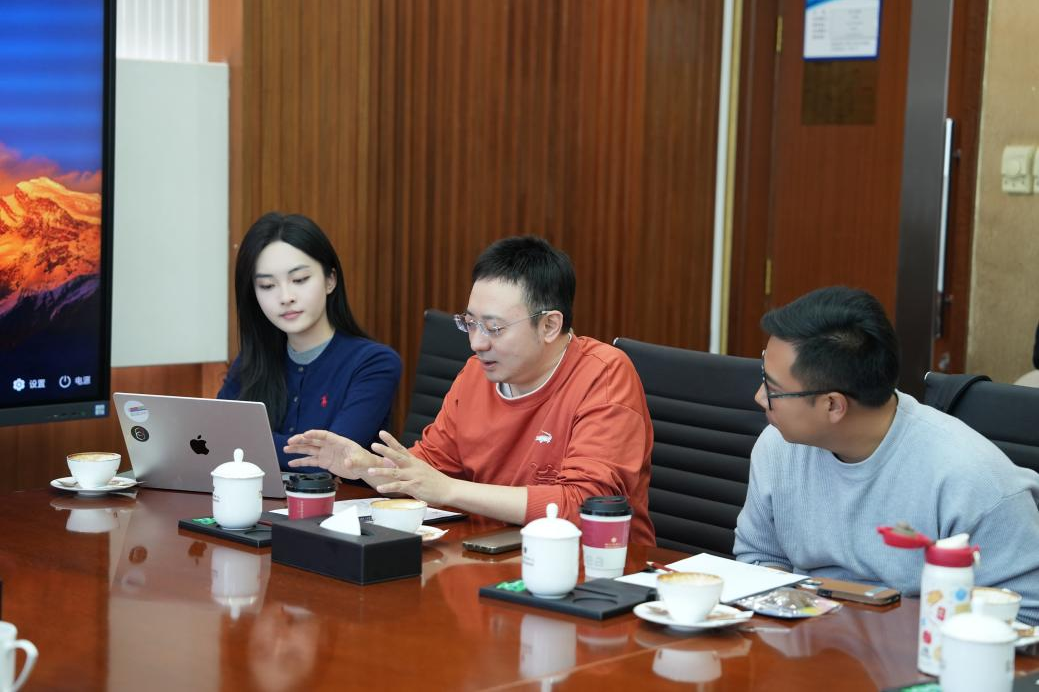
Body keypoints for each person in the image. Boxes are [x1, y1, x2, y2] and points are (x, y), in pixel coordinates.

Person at [285, 236, 655, 544]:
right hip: (491, 554)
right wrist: (364, 465)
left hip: (595, 569)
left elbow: (585, 505)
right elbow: (426, 470)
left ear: (549, 325)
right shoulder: (476, 374)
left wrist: (448, 490)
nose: (476, 343)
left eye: (493, 328)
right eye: (470, 323)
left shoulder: (604, 375)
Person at [734, 286, 1039, 624]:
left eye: (773, 389)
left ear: (833, 405)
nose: (759, 396)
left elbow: (1027, 615)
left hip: (925, 646)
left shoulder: (973, 479)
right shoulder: (778, 447)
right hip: (806, 639)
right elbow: (759, 557)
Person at [218, 212, 401, 471]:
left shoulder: (374, 364)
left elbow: (332, 461)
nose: (285, 297)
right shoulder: (252, 362)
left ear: (330, 280)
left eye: (300, 280)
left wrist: (243, 442)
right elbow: (214, 436)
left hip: (338, 497)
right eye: (267, 285)